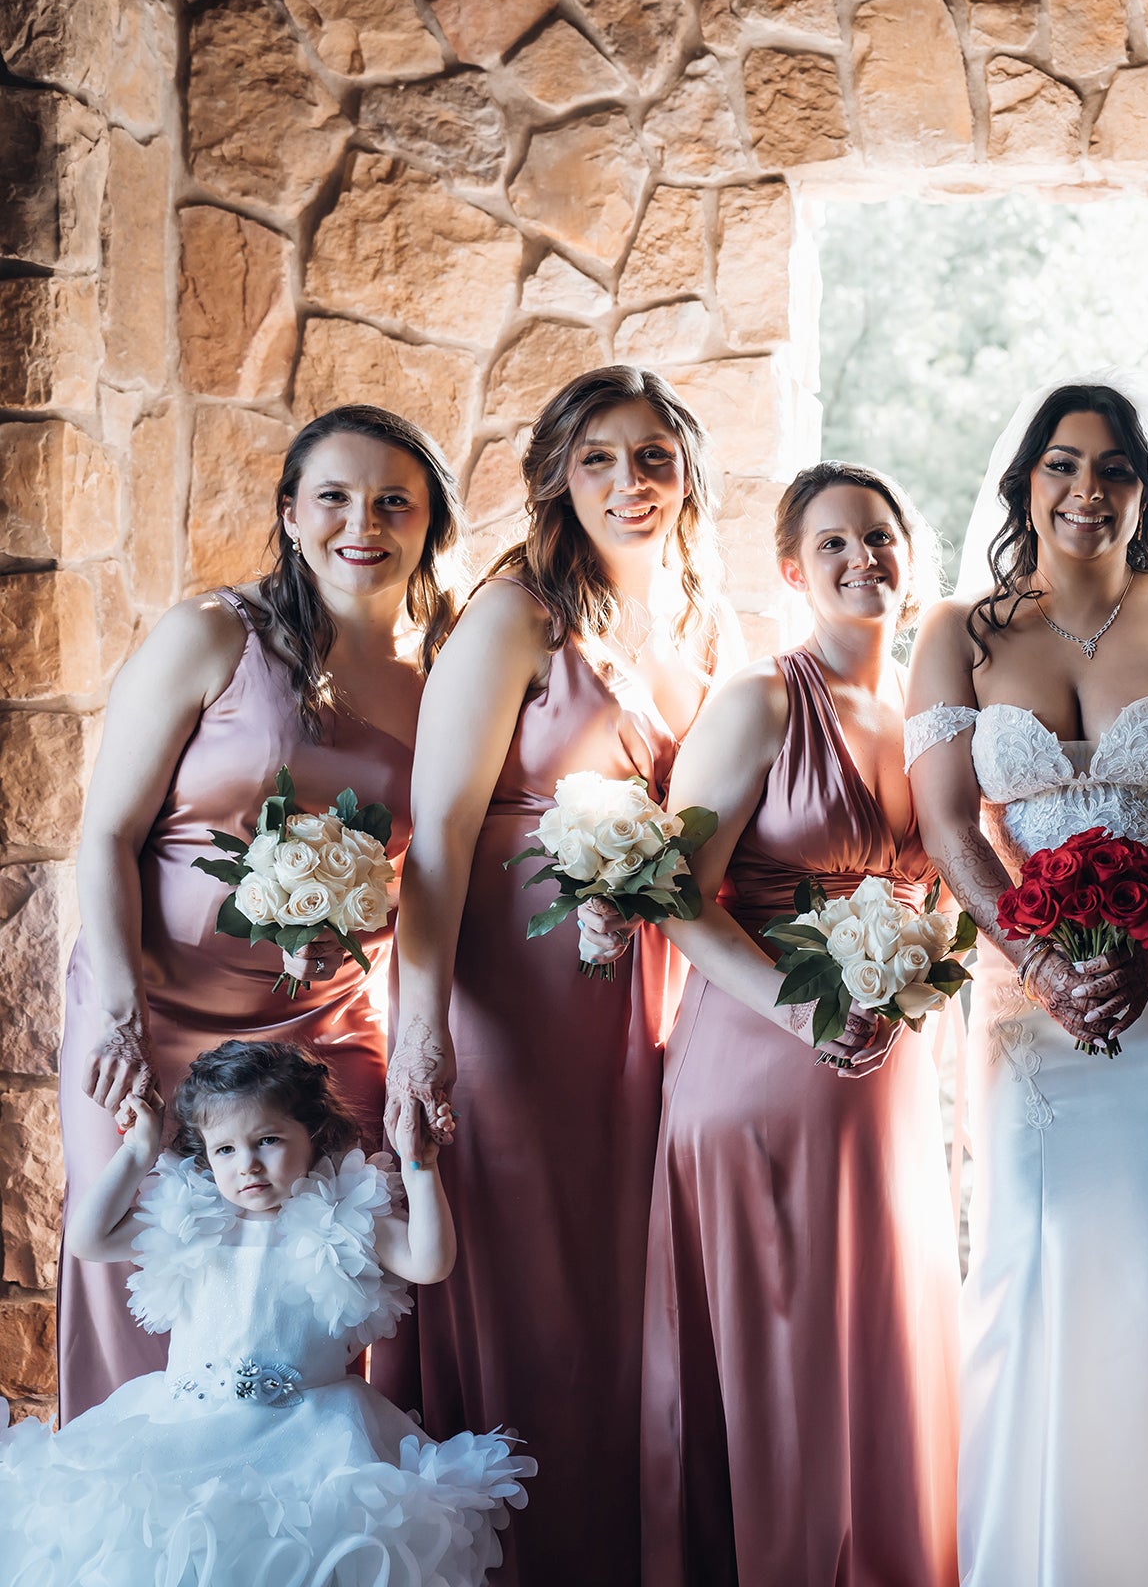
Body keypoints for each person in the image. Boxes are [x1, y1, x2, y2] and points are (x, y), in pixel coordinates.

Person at [906, 378, 1148, 1584]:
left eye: (1114, 467)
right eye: (1063, 464)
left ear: (1141, 487)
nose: (1088, 488)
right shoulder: (959, 628)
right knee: (1035, 1251)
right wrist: (1036, 960)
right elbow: (955, 829)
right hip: (1033, 1012)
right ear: (1024, 481)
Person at [384, 365, 735, 1585]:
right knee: (527, 1288)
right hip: (512, 1005)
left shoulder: (700, 623)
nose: (629, 484)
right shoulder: (514, 613)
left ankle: (619, 1547)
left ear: (687, 475)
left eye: (653, 458)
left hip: (642, 1004)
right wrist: (418, 1030)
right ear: (557, 477)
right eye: (598, 460)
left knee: (615, 1294)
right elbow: (438, 832)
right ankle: (520, 1558)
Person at [56, 405, 456, 1417]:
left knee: (321, 1289)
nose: (361, 522)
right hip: (148, 1015)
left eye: (393, 501)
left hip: (320, 1034)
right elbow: (105, 836)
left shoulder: (439, 688)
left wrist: (418, 1036)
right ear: (289, 512)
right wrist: (116, 1012)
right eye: (333, 496)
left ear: (429, 525)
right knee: (143, 1278)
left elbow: (433, 879)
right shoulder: (212, 634)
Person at [642, 462, 961, 1586]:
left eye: (880, 536)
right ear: (791, 569)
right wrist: (798, 1008)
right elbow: (673, 892)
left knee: (874, 1335)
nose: (861, 559)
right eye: (833, 543)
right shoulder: (762, 700)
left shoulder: (927, 717)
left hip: (884, 1070)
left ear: (910, 555)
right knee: (780, 1348)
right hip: (760, 1056)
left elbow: (953, 884)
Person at [1, 1039, 534, 1583]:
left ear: (316, 1136)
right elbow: (89, 1239)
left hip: (312, 1437)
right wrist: (138, 1149)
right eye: (224, 1150)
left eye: (269, 1140)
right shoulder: (194, 1220)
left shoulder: (346, 1216)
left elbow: (429, 1261)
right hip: (185, 1428)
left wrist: (419, 1162)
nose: (247, 1164)